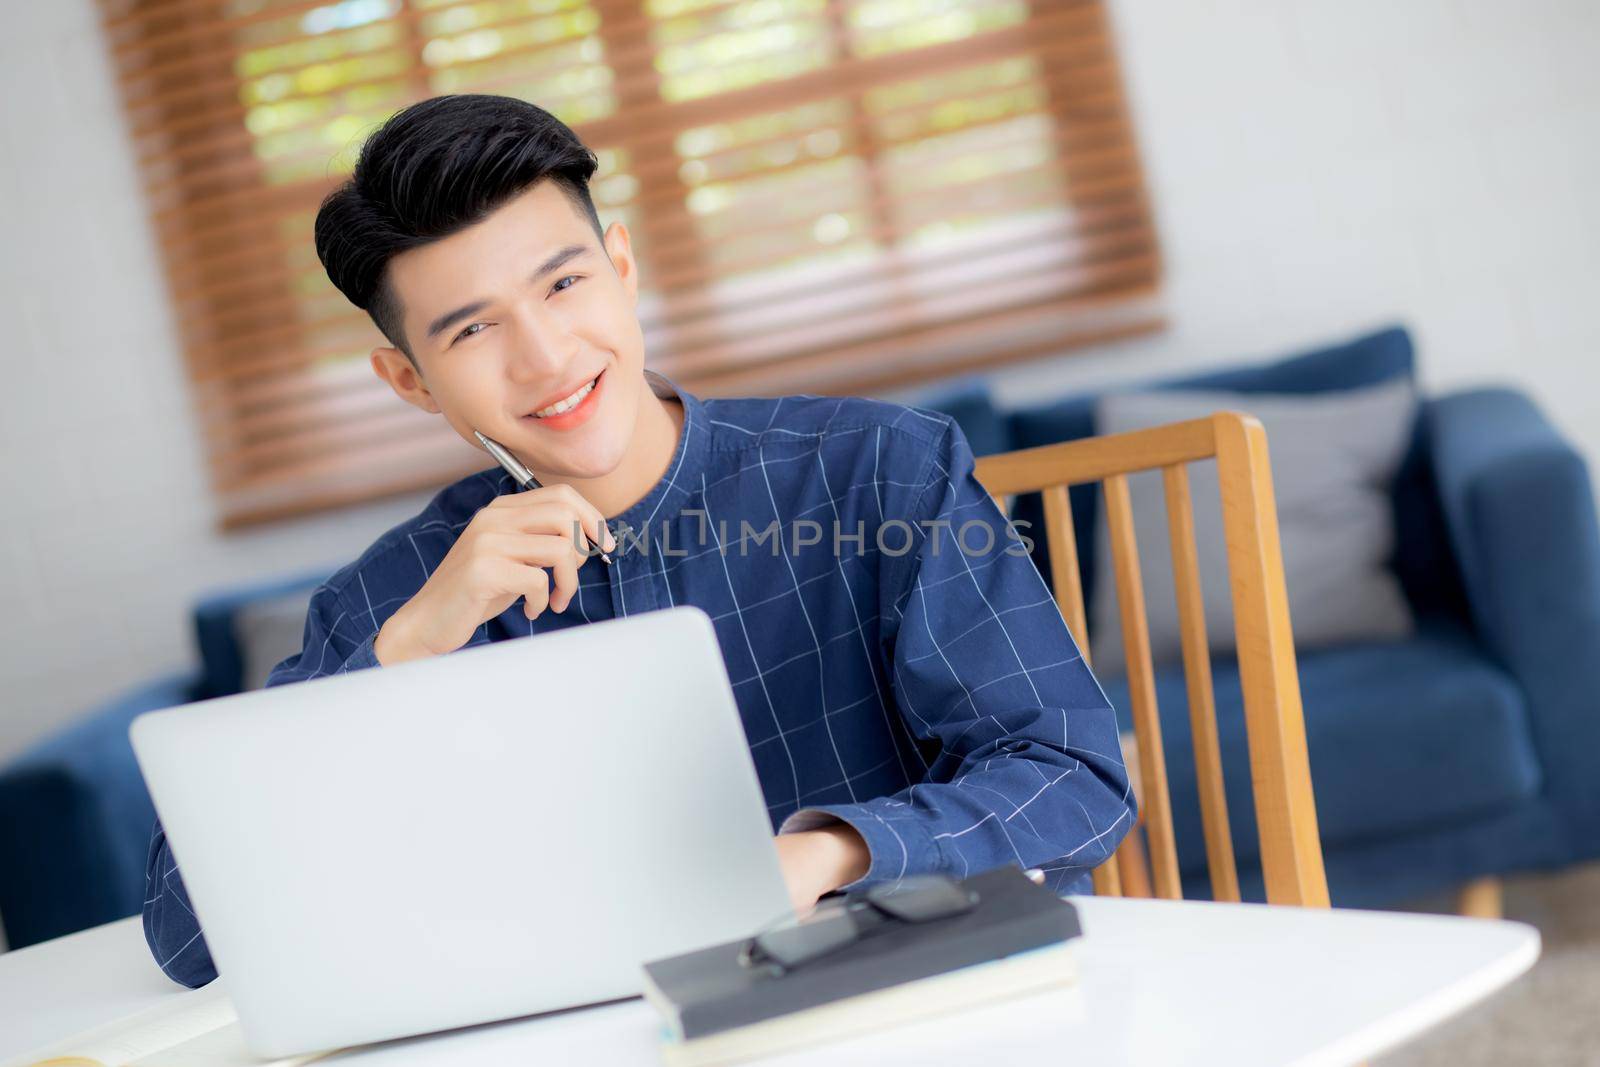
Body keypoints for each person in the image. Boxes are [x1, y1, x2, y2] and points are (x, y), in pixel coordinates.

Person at [143, 94, 1133, 989]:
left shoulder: (878, 470)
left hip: (914, 999)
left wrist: (826, 854)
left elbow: (1070, 774)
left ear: (620, 267)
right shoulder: (394, 601)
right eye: (472, 332)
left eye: (564, 285)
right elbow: (187, 937)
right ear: (409, 381)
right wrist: (407, 649)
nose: (546, 356)